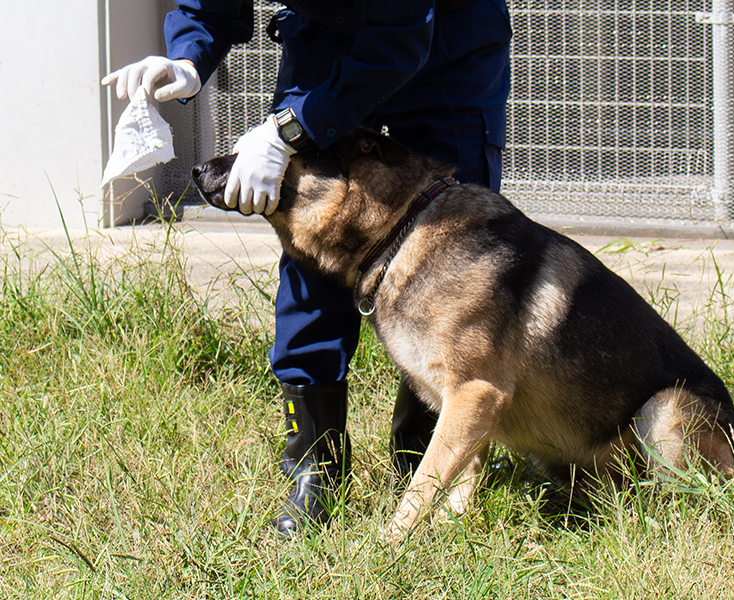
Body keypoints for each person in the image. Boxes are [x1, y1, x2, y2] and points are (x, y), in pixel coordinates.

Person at [103, 0, 511, 535]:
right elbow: (208, 7)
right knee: (311, 255)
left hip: (445, 53)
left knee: (449, 264)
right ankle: (313, 470)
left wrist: (287, 132)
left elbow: (403, 33)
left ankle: (424, 459)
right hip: (325, 45)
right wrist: (186, 60)